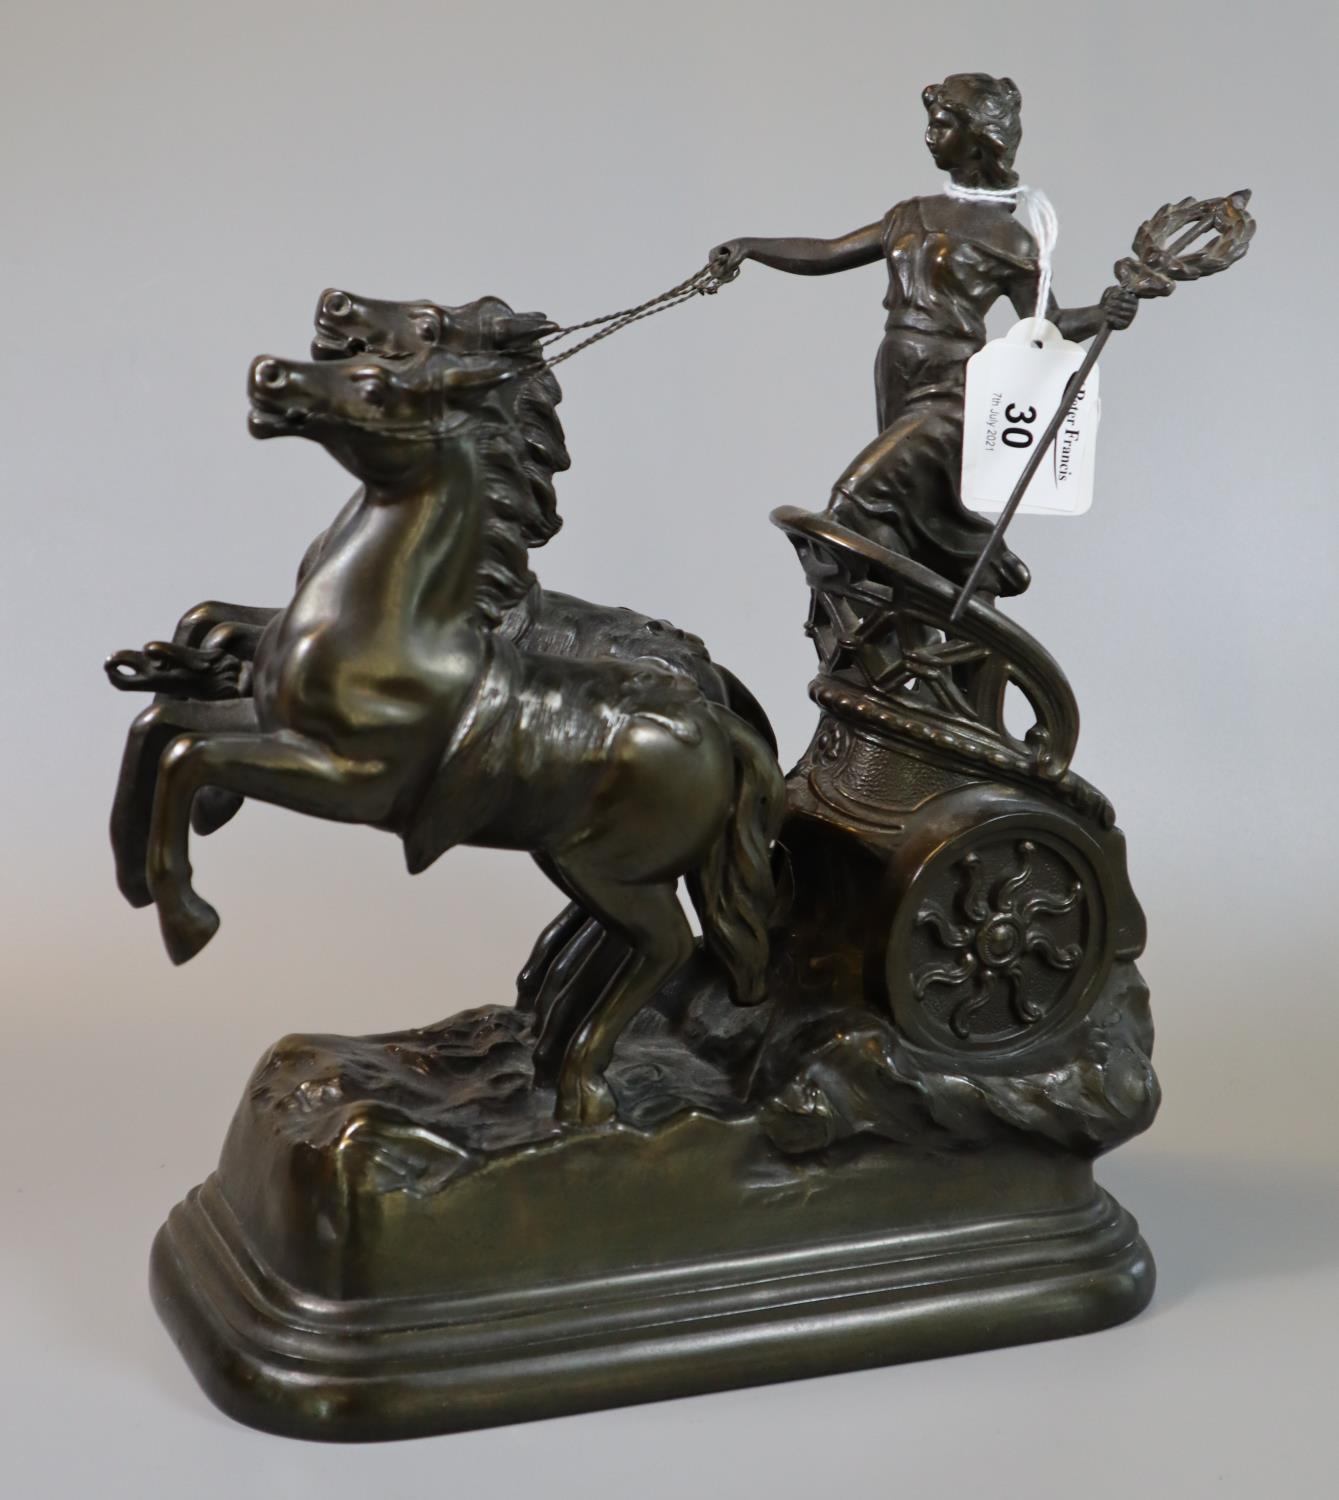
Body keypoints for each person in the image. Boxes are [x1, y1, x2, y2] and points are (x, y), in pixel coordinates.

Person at [711, 73, 1137, 598]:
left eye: (942, 125)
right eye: (930, 125)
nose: (930, 136)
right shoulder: (910, 213)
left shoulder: (1012, 238)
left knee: (855, 499)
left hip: (952, 385)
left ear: (978, 139)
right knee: (909, 510)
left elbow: (1046, 325)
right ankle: (926, 613)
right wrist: (750, 247)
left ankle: (960, 580)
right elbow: (827, 253)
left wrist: (1103, 313)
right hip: (896, 372)